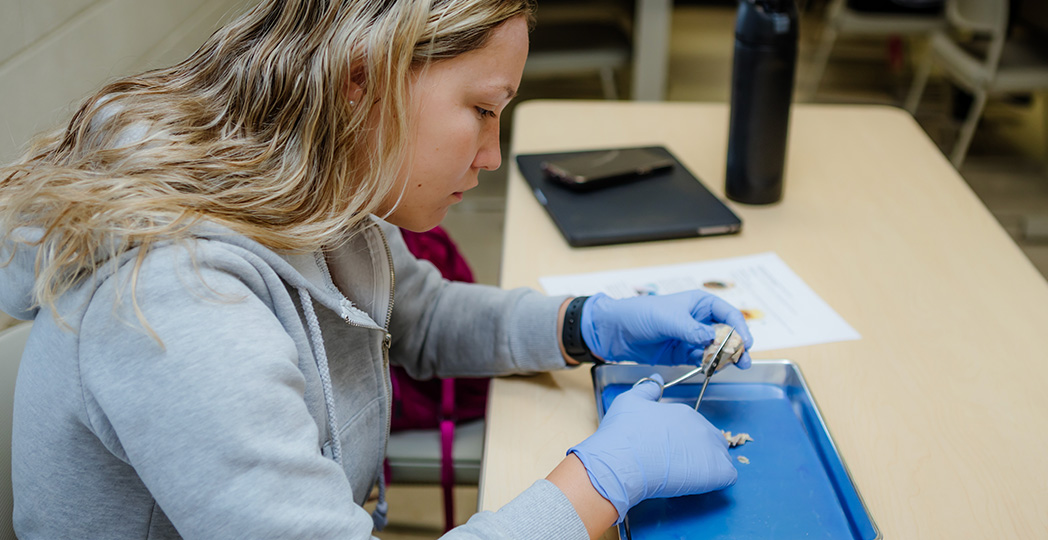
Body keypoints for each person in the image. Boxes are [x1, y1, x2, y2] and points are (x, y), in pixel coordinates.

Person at [0, 1, 755, 538]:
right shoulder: (177, 298)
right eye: (484, 111)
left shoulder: (316, 183)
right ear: (364, 78)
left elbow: (418, 315)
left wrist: (586, 322)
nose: (492, 156)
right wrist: (600, 483)